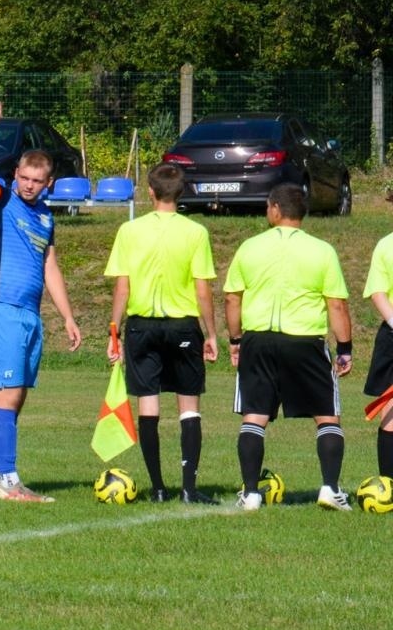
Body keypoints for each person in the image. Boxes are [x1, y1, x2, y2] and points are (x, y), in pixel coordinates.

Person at [0, 95, 83, 502]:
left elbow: (50, 266)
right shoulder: (0, 201)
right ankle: (6, 481)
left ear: (49, 182)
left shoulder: (46, 218)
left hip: (29, 314)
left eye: (38, 180)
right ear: (15, 174)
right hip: (1, 308)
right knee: (9, 391)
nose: (30, 185)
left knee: (17, 395)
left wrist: (67, 317)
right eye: (25, 177)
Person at [224, 182, 353, 511]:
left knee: (254, 415)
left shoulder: (250, 247)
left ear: (276, 210)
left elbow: (232, 298)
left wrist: (236, 339)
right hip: (305, 341)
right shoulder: (322, 251)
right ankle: (330, 489)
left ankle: (251, 494)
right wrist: (344, 348)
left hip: (258, 339)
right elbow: (336, 305)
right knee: (327, 416)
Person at [103, 162, 219, 503]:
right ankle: (189, 488)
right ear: (180, 194)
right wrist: (211, 333)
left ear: (150, 193)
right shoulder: (196, 232)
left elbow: (122, 287)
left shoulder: (129, 231)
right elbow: (202, 291)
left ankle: (156, 487)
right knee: (188, 404)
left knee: (148, 404)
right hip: (183, 326)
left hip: (142, 326)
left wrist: (115, 332)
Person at [360, 229, 393, 480]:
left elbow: (378, 293)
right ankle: (388, 483)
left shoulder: (386, 244)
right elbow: (377, 292)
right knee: (390, 411)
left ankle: (388, 486)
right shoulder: (386, 245)